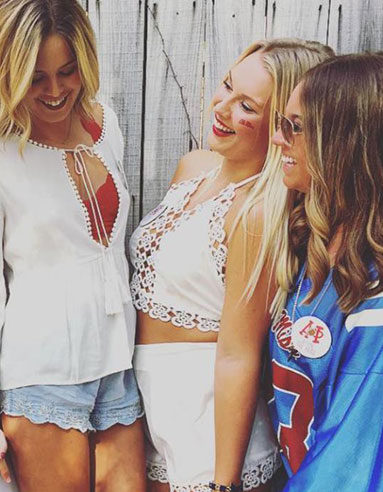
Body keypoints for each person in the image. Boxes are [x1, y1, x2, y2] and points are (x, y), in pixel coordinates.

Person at [0, 1, 145, 491]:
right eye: (36, 78)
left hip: (118, 363)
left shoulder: (107, 127)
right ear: (9, 73)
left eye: (67, 71)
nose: (56, 91)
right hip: (42, 373)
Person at [130, 39, 333, 492]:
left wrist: (224, 482)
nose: (221, 108)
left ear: (280, 125)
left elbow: (239, 353)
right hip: (148, 405)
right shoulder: (192, 167)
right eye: (227, 86)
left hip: (206, 419)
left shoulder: (256, 213)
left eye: (247, 106)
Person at [268, 53, 383, 491]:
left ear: (344, 143)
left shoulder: (374, 301)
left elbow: (348, 469)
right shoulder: (313, 247)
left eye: (294, 126)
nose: (278, 139)